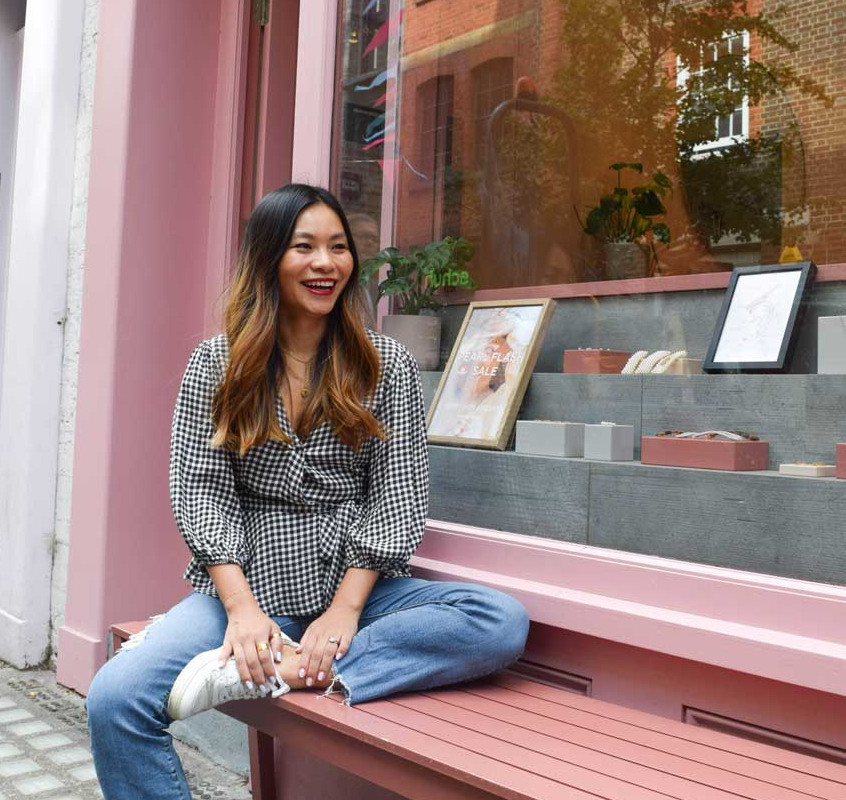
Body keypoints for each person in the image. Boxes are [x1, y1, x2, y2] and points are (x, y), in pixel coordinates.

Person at [85, 183, 530, 800]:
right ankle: (270, 658)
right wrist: (242, 613)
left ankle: (291, 670)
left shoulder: (385, 364)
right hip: (247, 588)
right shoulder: (216, 364)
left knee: (499, 621)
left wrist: (344, 612)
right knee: (114, 700)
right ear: (269, 257)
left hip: (357, 589)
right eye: (305, 247)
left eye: (339, 247)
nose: (326, 263)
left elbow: (398, 496)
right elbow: (201, 493)